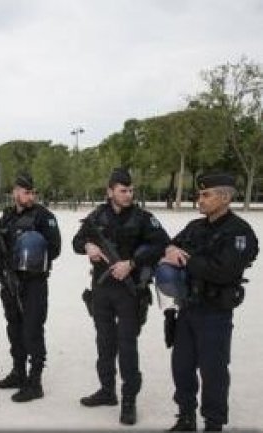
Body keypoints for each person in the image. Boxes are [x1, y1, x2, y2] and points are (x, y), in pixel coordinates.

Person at [72, 167, 169, 425]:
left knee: (127, 347)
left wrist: (132, 263)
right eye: (123, 190)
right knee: (104, 343)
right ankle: (107, 391)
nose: (128, 195)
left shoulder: (142, 218)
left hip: (131, 291)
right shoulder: (97, 216)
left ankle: (129, 400)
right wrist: (87, 246)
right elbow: (76, 241)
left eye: (131, 190)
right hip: (102, 290)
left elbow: (162, 243)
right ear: (110, 191)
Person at [161, 173, 258, 432]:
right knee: (181, 367)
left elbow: (223, 271)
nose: (199, 200)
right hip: (188, 307)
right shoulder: (196, 226)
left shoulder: (240, 232)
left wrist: (187, 260)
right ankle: (186, 418)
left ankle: (213, 423)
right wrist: (171, 250)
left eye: (206, 195)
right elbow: (172, 245)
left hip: (215, 313)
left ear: (225, 197)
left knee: (213, 371)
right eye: (199, 195)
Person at [0, 173, 61, 402]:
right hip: (9, 282)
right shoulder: (7, 217)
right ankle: (18, 373)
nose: (30, 196)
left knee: (33, 330)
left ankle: (35, 382)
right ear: (15, 193)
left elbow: (55, 249)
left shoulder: (44, 217)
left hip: (33, 283)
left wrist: (32, 254)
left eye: (32, 192)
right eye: (26, 192)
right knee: (15, 329)